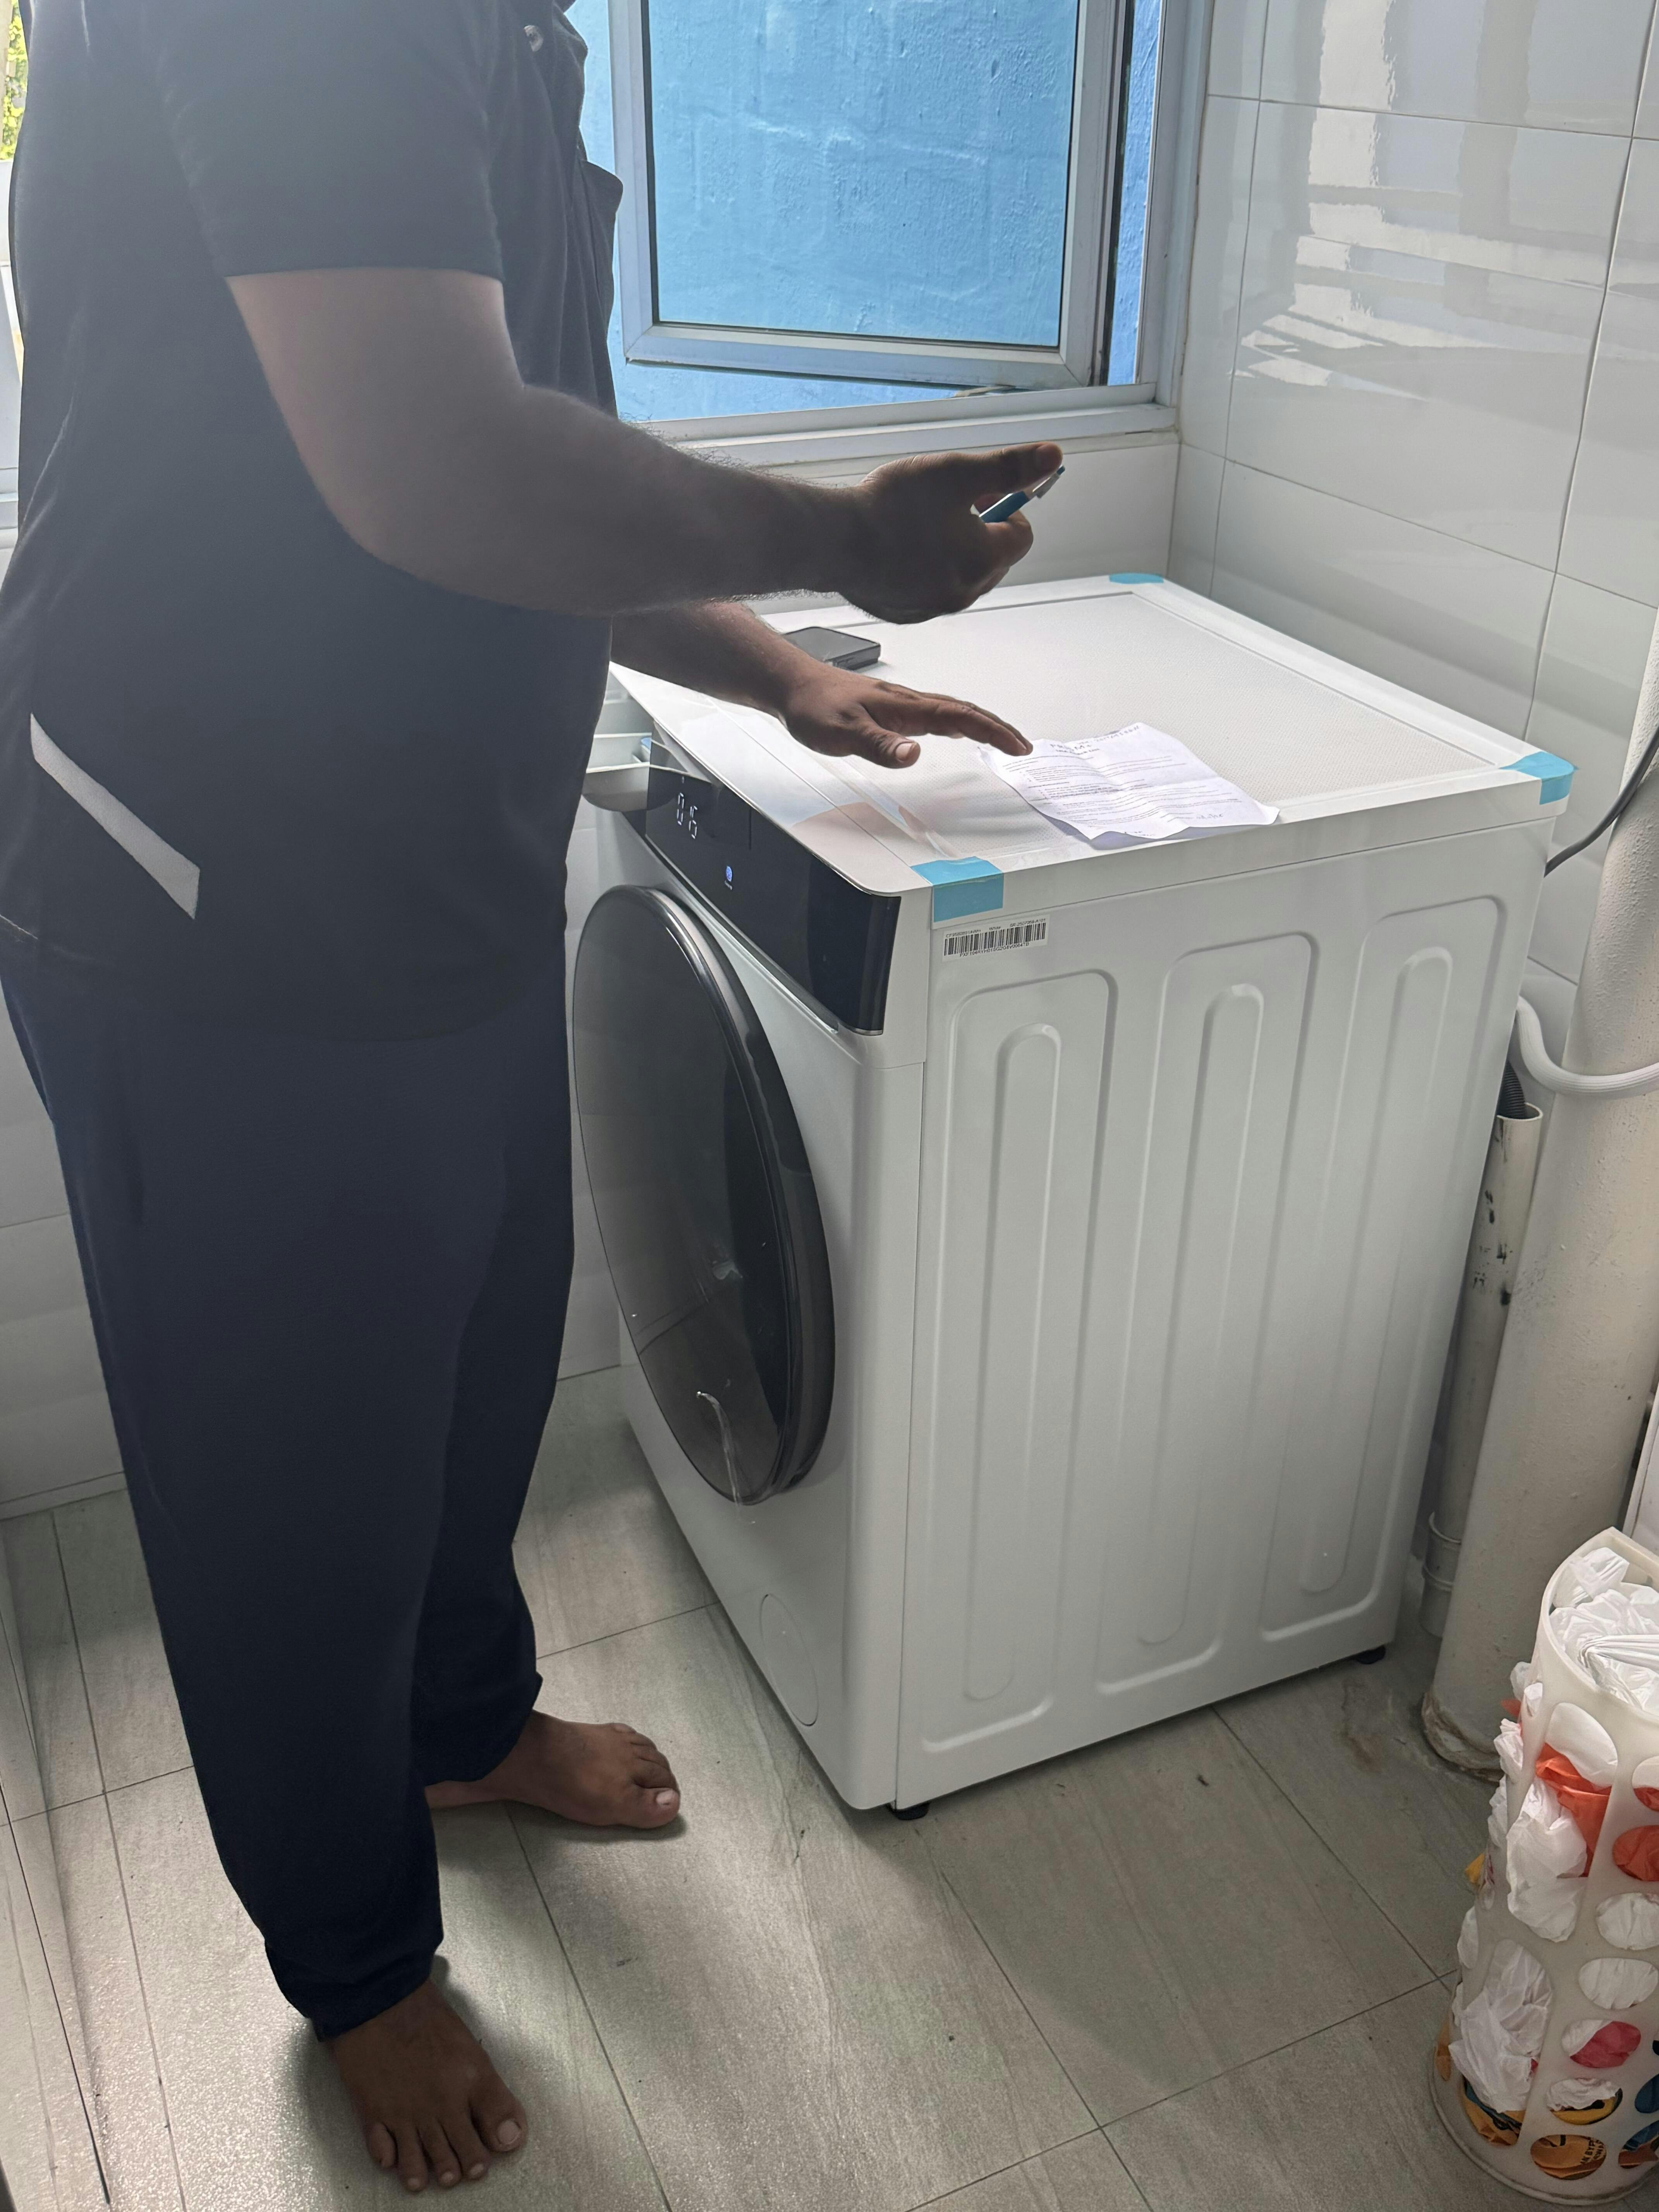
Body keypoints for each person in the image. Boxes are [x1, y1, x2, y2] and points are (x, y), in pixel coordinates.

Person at [0, 0, 1059, 2191]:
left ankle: (460, 1728)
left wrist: (778, 665)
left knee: (476, 1362)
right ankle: (355, 1955)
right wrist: (837, 540)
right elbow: (432, 452)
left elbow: (531, 443)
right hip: (215, 888)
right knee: (292, 1477)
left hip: (430, 856)